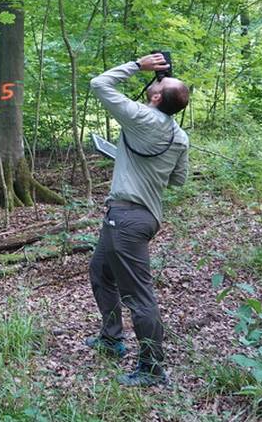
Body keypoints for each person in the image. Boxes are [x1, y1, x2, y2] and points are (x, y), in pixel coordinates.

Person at [86, 53, 190, 387]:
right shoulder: (179, 137)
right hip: (140, 217)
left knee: (139, 296)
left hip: (127, 219)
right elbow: (177, 180)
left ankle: (152, 368)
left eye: (160, 80)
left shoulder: (141, 118)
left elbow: (99, 84)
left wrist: (137, 65)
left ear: (156, 97)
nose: (158, 77)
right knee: (100, 271)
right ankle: (111, 338)